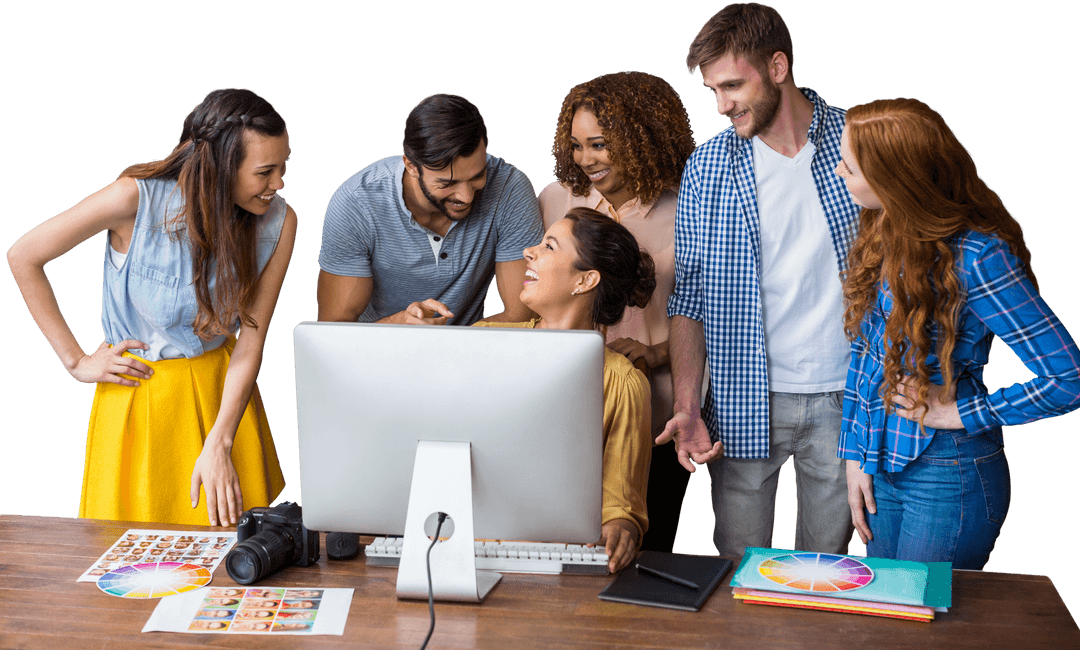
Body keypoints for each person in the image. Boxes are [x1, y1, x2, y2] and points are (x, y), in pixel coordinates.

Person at [7, 88, 294, 528]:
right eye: (265, 172)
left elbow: (252, 339)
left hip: (223, 402)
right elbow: (23, 256)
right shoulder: (131, 201)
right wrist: (77, 360)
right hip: (140, 402)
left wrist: (220, 441)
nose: (278, 184)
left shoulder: (280, 221)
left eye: (284, 166)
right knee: (131, 564)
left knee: (232, 562)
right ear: (218, 168)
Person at [835, 98, 1080, 568]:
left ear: (895, 176)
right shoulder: (879, 229)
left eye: (851, 163)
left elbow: (1067, 379)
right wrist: (856, 456)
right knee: (886, 623)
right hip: (881, 467)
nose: (840, 170)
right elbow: (864, 359)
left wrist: (964, 412)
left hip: (948, 474)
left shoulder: (979, 257)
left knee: (925, 632)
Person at [658, 2, 860, 558]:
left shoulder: (861, 141)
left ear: (777, 68)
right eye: (712, 92)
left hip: (850, 398)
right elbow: (690, 296)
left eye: (732, 86)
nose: (722, 105)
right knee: (738, 573)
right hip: (746, 396)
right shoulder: (708, 166)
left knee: (827, 575)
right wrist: (689, 405)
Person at [539, 71, 697, 553]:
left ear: (642, 138)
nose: (586, 160)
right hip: (570, 407)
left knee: (643, 548)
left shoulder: (691, 208)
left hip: (660, 415)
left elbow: (718, 314)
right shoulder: (556, 200)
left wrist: (655, 351)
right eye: (577, 145)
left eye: (600, 145)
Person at [474, 207, 654, 572]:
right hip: (469, 553)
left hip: (557, 567)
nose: (529, 251)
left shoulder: (623, 382)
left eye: (549, 246)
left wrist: (621, 528)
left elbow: (621, 504)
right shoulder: (482, 344)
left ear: (585, 281)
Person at [317, 93, 543, 326]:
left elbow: (523, 316)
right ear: (411, 166)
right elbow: (334, 331)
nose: (466, 197)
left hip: (471, 356)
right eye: (447, 183)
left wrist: (444, 345)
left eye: (477, 176)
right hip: (377, 354)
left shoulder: (509, 187)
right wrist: (400, 326)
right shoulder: (355, 204)